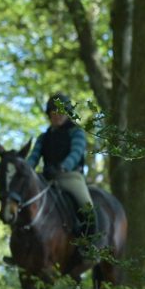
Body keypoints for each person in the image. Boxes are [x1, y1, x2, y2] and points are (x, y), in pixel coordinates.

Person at [26, 92, 96, 240]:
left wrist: (63, 167)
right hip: (46, 178)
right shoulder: (43, 138)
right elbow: (34, 157)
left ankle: (89, 245)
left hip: (70, 177)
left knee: (87, 206)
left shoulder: (76, 132)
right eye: (53, 112)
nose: (57, 115)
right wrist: (25, 169)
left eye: (60, 112)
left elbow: (76, 152)